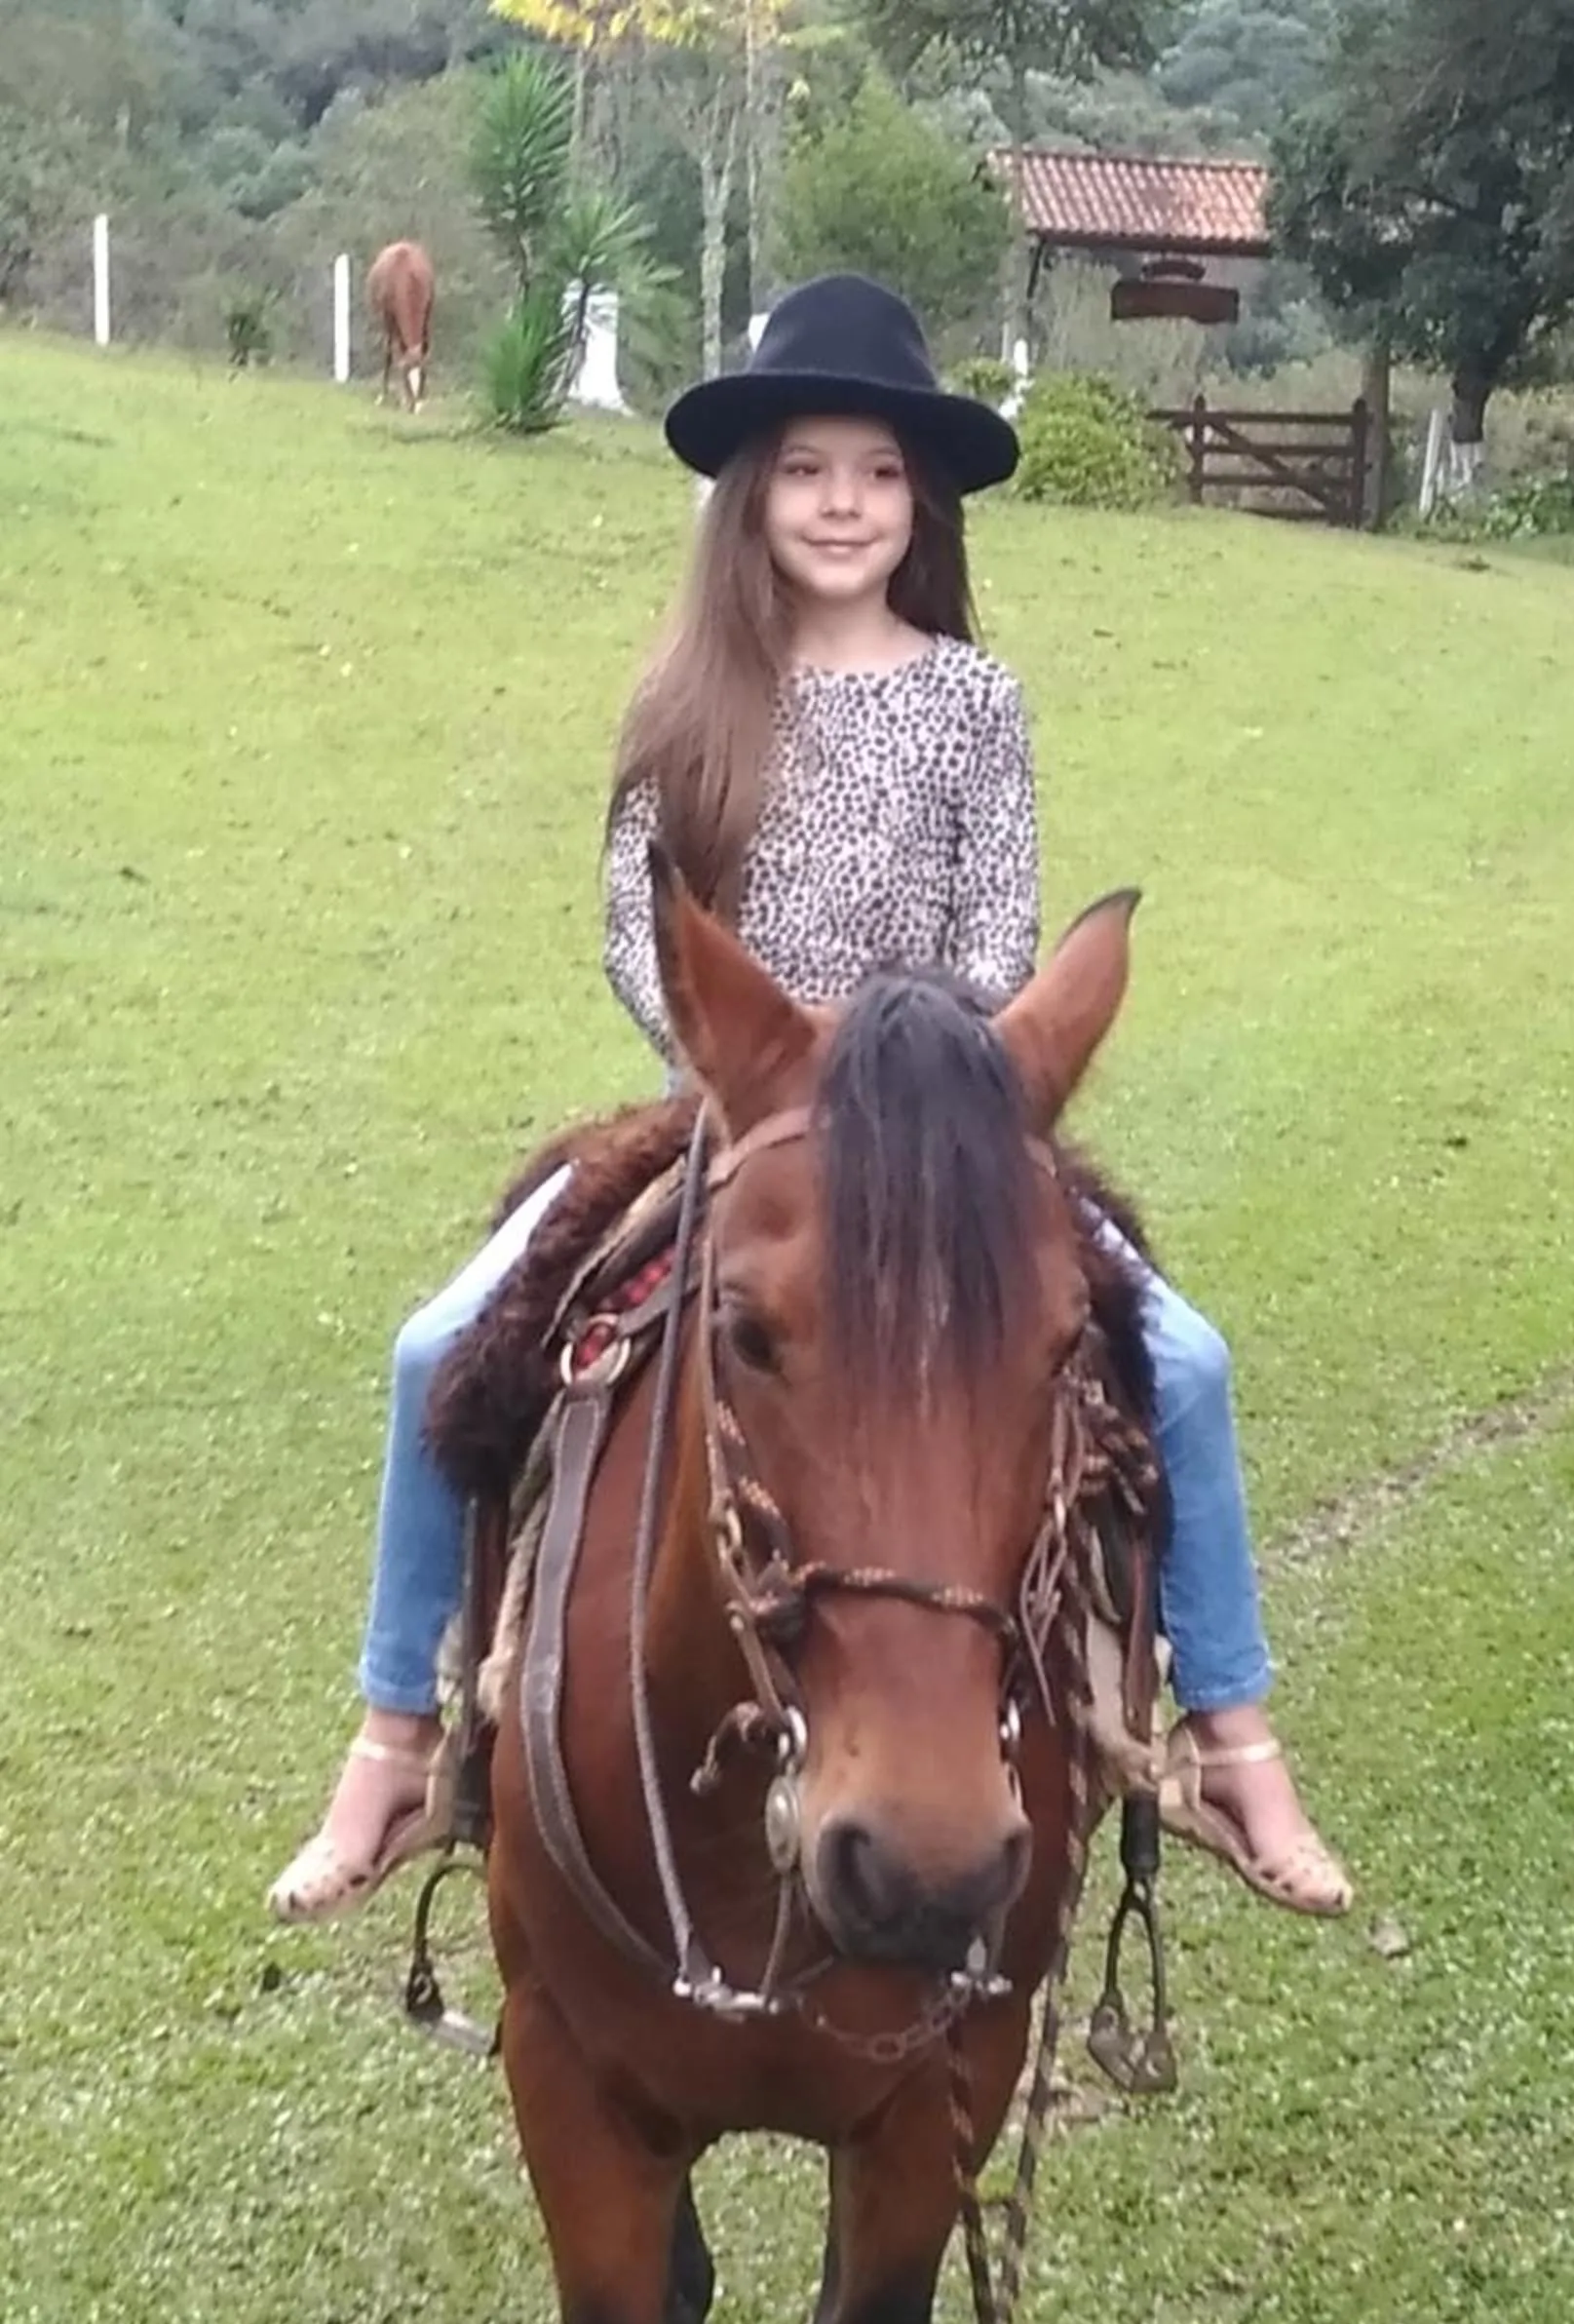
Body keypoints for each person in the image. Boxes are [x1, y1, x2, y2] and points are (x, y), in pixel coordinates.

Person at [268, 274, 1350, 1928]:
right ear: (750, 495)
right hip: (729, 1118)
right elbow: (643, 929)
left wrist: (900, 1073)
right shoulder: (687, 699)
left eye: (876, 472)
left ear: (920, 502)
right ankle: (399, 1736)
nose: (842, 503)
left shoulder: (971, 702)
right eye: (806, 469)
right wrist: (755, 1060)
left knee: (1181, 1361)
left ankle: (1227, 1735)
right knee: (443, 1348)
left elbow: (999, 941)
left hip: (935, 1131)